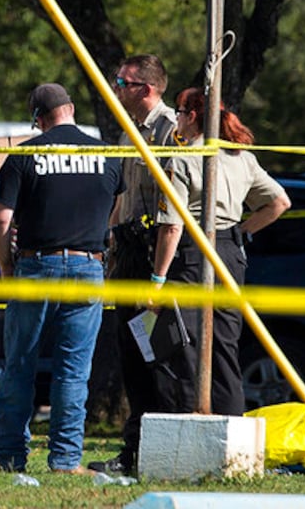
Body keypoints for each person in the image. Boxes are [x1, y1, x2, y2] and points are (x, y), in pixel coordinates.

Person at [0, 83, 123, 474]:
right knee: (74, 370)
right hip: (88, 267)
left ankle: (11, 458)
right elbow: (115, 209)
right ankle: (65, 460)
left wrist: (7, 265)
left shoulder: (25, 155)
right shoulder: (108, 155)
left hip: (35, 265)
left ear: (38, 119)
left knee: (20, 364)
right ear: (72, 109)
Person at [151, 87, 290, 416]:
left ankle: (186, 428)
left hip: (191, 255)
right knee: (225, 348)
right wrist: (241, 232)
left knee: (181, 346)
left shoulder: (182, 158)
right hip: (230, 252)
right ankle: (230, 428)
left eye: (180, 113)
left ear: (192, 116)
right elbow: (280, 202)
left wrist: (157, 279)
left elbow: (171, 226)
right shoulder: (242, 157)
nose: (177, 120)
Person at [96, 53, 178, 476]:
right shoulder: (130, 132)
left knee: (157, 357)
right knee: (131, 355)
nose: (115, 88)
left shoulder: (170, 130)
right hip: (127, 254)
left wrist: (158, 276)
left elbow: (172, 207)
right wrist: (106, 240)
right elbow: (124, 197)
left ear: (146, 89)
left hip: (154, 258)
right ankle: (134, 451)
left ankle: (159, 452)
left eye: (122, 81)